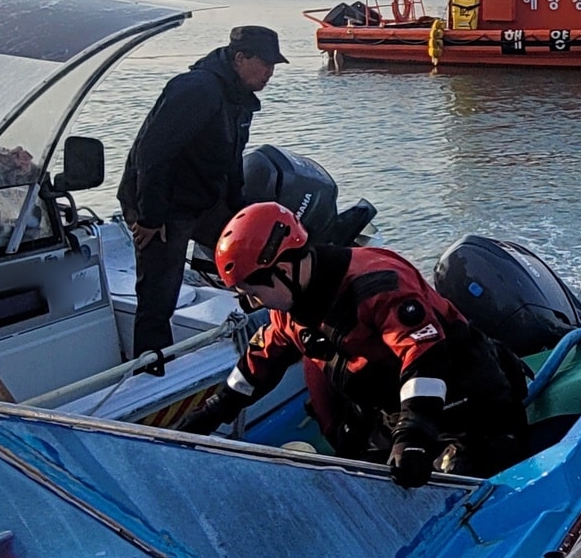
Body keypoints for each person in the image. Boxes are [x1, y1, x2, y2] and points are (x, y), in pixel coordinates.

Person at [176, 202, 532, 488]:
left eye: (254, 293)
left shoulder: (377, 285)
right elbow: (256, 367)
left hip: (471, 405)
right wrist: (206, 416)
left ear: (284, 267)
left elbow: (426, 359)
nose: (254, 304)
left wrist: (414, 436)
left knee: (452, 486)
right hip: (393, 410)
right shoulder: (290, 310)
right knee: (362, 482)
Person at [117, 25, 286, 374]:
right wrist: (149, 217)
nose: (270, 72)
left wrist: (243, 215)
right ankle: (150, 368)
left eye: (274, 65)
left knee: (256, 253)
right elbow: (151, 155)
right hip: (159, 201)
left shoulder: (237, 97)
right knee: (159, 291)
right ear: (240, 58)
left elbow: (232, 162)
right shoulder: (197, 90)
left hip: (201, 197)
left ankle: (271, 332)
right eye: (266, 64)